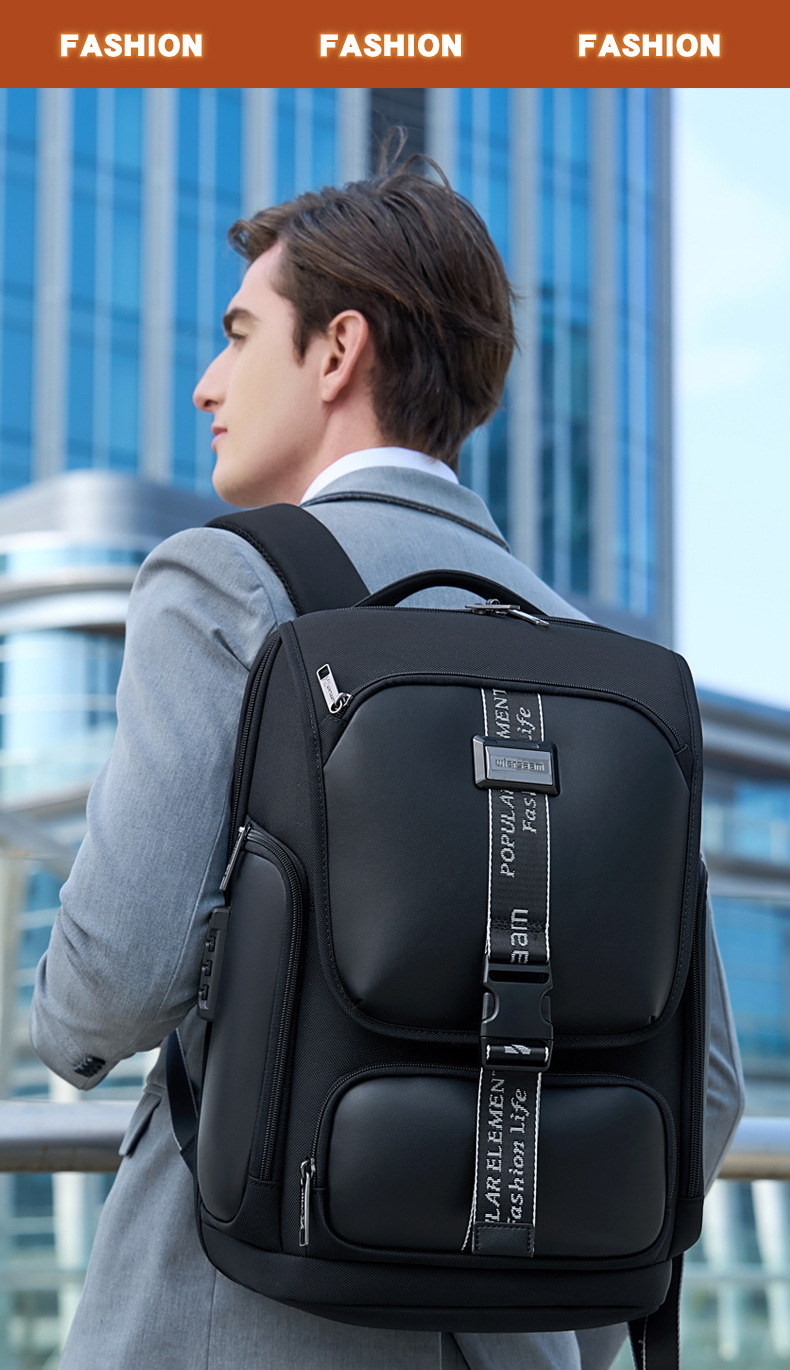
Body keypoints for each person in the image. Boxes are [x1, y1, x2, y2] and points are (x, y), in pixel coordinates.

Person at [30, 153, 745, 1370]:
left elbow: (117, 978)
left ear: (336, 351)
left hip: (233, 1325)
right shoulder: (599, 657)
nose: (208, 382)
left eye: (239, 335)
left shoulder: (223, 580)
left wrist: (65, 1026)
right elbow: (709, 1082)